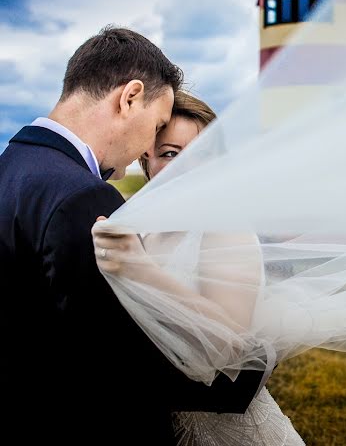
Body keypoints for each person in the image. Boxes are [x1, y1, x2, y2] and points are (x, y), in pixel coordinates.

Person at [0, 27, 265, 445]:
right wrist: (246, 374)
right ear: (129, 98)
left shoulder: (10, 166)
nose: (149, 155)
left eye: (172, 149)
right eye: (156, 135)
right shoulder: (85, 199)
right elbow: (111, 358)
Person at [95, 91, 305, 446]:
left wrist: (139, 269)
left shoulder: (226, 229)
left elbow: (227, 345)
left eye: (195, 155)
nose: (177, 167)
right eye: (166, 153)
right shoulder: (141, 226)